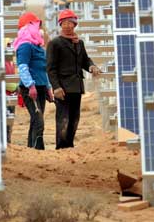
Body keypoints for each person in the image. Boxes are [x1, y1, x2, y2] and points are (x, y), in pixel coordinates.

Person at [46, 8, 100, 149]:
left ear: (75, 24)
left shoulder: (79, 43)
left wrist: (92, 67)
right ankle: (61, 148)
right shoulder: (55, 43)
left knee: (74, 119)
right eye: (65, 23)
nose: (68, 25)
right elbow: (50, 68)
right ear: (60, 24)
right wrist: (56, 87)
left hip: (76, 87)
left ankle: (69, 146)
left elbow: (85, 60)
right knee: (63, 119)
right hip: (62, 88)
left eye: (71, 23)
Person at [13, 11, 49, 150]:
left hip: (40, 87)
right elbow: (23, 67)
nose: (39, 29)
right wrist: (30, 86)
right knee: (38, 120)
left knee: (36, 120)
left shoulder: (38, 47)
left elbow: (43, 69)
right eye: (36, 25)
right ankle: (38, 150)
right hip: (30, 89)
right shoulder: (25, 46)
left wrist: (48, 87)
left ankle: (30, 149)